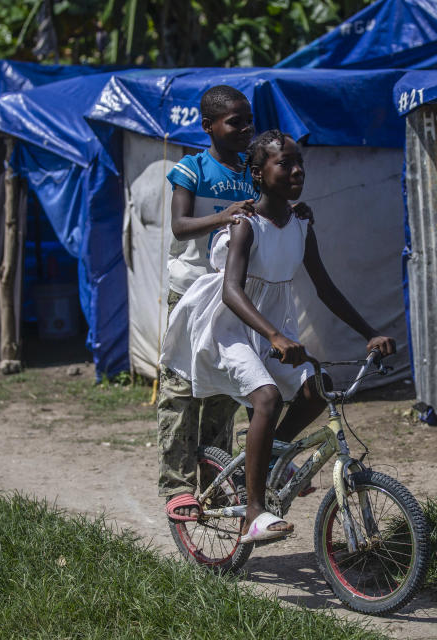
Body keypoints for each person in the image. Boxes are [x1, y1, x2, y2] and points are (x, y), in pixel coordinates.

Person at [161, 129, 395, 543]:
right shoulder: (245, 225)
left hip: (271, 329)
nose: (297, 170)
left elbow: (324, 286)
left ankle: (270, 459)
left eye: (299, 162)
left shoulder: (300, 223)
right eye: (284, 163)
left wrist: (370, 332)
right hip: (230, 328)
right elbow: (232, 292)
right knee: (266, 397)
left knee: (316, 387)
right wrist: (274, 335)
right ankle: (254, 512)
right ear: (257, 173)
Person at [158, 85, 258, 521]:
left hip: (232, 295)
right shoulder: (191, 169)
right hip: (189, 292)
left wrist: (297, 212)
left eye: (248, 120)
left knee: (222, 391)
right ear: (208, 127)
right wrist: (224, 215)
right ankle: (177, 486)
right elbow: (180, 226)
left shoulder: (252, 171)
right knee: (181, 390)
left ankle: (216, 484)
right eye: (235, 121)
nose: (245, 129)